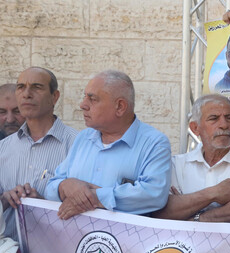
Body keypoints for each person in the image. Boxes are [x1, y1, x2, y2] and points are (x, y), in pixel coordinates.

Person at [44, 70, 171, 220]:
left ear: (120, 107)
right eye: (84, 97)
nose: (83, 105)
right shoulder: (83, 138)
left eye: (92, 99)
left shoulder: (154, 143)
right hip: (74, 239)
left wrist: (94, 197)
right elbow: (50, 188)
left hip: (123, 241)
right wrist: (65, 186)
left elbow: (153, 194)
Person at [153, 94, 230, 223]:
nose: (224, 125)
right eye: (214, 118)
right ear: (195, 128)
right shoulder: (177, 164)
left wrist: (196, 217)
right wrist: (214, 193)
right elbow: (162, 210)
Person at [0, 68, 77, 240]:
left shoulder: (78, 146)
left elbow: (89, 214)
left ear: (54, 97)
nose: (27, 94)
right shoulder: (3, 149)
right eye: (21, 87)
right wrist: (5, 199)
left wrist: (44, 205)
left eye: (36, 87)